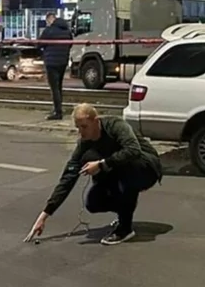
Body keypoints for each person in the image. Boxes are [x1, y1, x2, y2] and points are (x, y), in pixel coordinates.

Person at [25, 104, 162, 246]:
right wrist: (44, 215)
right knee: (93, 202)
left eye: (84, 127)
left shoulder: (115, 125)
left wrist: (101, 164)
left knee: (122, 165)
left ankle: (125, 228)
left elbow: (133, 150)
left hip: (146, 167)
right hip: (120, 170)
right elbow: (68, 176)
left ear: (96, 121)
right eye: (78, 128)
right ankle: (124, 211)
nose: (81, 132)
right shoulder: (84, 143)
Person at [38, 12, 72, 121]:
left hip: (51, 62)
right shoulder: (67, 31)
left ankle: (58, 112)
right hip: (63, 61)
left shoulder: (49, 30)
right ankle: (58, 108)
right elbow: (71, 43)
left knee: (54, 88)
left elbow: (39, 44)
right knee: (59, 86)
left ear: (50, 20)